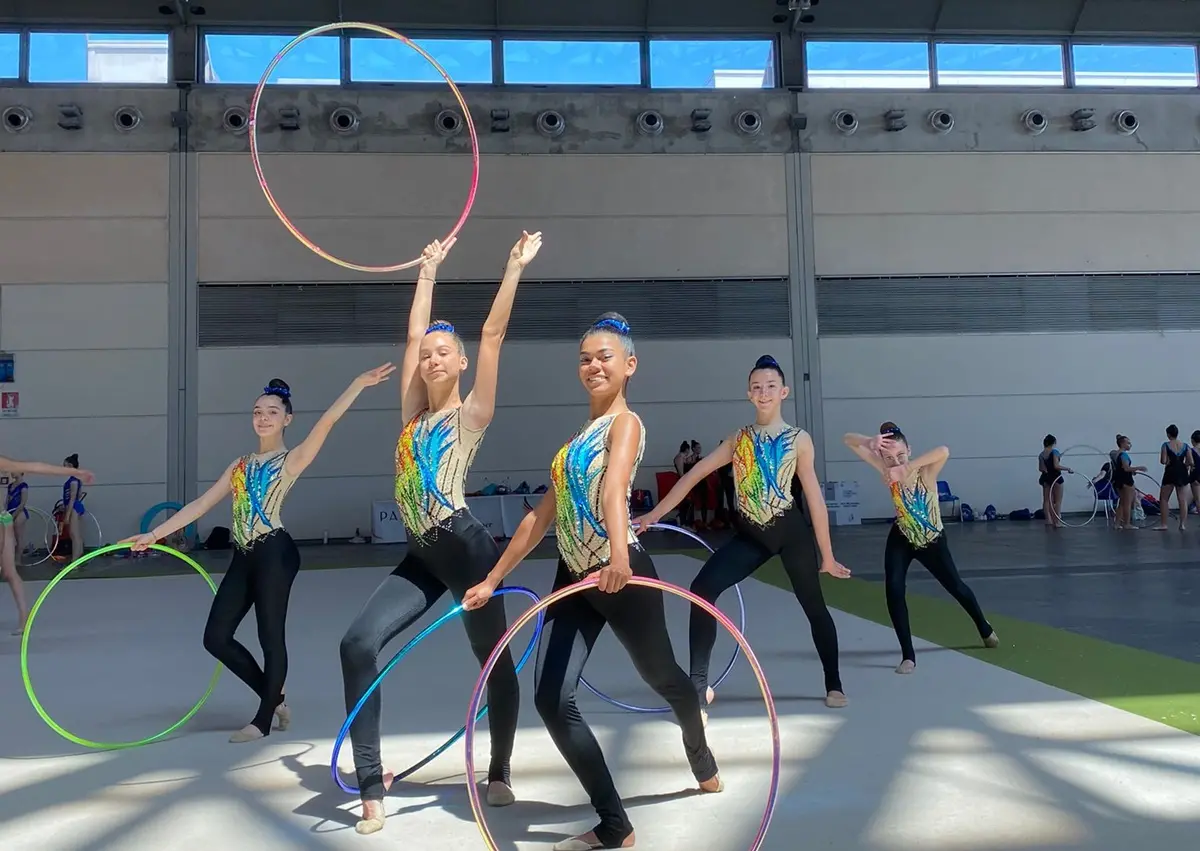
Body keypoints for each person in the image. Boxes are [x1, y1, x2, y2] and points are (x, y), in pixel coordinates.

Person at [463, 313, 722, 851]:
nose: (593, 365)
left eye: (604, 356)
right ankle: (614, 824)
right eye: (584, 358)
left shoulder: (625, 425)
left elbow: (614, 489)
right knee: (552, 697)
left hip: (622, 572)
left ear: (629, 366)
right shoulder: (572, 443)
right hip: (574, 576)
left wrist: (620, 554)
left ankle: (700, 754)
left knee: (665, 678)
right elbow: (538, 519)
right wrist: (491, 579)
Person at [338, 232, 542, 835]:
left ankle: (499, 768)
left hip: (467, 549)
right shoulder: (410, 416)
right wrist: (426, 271)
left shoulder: (470, 415)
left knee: (492, 662)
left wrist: (511, 267)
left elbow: (495, 335)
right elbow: (409, 337)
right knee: (355, 645)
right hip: (421, 555)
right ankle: (371, 783)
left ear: (457, 363)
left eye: (443, 351)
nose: (431, 357)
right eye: (428, 352)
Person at [123, 366, 394, 741]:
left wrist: (356, 385)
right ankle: (276, 696)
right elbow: (200, 505)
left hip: (275, 553)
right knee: (215, 637)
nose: (263, 418)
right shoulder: (240, 465)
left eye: (271, 412)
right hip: (244, 554)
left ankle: (263, 719)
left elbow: (328, 422)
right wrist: (153, 534)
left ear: (287, 419)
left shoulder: (291, 460)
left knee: (270, 636)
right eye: (257, 412)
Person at [634, 355, 850, 713]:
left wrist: (826, 555)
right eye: (756, 387)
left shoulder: (799, 440)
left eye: (770, 386)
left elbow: (814, 499)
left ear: (783, 392)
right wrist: (654, 515)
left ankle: (834, 682)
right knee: (701, 589)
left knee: (814, 607)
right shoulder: (738, 439)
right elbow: (692, 476)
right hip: (751, 536)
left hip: (790, 533)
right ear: (749, 394)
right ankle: (698, 686)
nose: (763, 393)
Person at [842, 423, 998, 674]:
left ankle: (983, 626)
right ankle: (908, 655)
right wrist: (868, 441)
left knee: (956, 586)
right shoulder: (885, 468)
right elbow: (847, 439)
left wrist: (906, 467)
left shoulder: (925, 473)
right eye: (890, 458)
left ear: (910, 451)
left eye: (901, 456)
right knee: (893, 589)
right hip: (902, 535)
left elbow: (944, 450)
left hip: (932, 540)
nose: (895, 462)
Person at [0, 456, 96, 635]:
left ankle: (24, 618)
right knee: (9, 572)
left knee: (10, 572)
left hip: (2, 519)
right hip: (4, 519)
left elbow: (35, 466)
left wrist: (75, 472)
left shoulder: (4, 464)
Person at [1154, 425, 1191, 532]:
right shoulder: (1185, 446)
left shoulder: (1166, 445)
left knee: (1164, 499)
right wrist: (1185, 465)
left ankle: (1164, 524)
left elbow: (1163, 461)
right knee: (1182, 499)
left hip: (1170, 472)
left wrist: (1169, 460)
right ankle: (1182, 524)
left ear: (1168, 434)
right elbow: (1190, 461)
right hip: (1182, 472)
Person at [1110, 434, 1144, 530]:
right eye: (1128, 443)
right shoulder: (1123, 454)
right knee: (1128, 503)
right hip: (1126, 481)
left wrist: (1132, 471)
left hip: (1119, 481)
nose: (1130, 445)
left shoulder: (1115, 454)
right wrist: (1139, 468)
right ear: (1122, 443)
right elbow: (1126, 468)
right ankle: (1127, 523)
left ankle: (1117, 523)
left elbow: (1121, 468)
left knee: (1122, 502)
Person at [1037, 435, 1072, 528]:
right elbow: (1056, 466)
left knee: (1047, 500)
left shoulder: (1041, 454)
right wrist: (1068, 469)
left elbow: (1041, 469)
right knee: (1058, 501)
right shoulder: (1055, 452)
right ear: (1054, 442)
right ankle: (1057, 522)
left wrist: (1047, 472)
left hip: (1045, 478)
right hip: (1056, 478)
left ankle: (1049, 520)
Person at [60, 454, 86, 563]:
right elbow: (79, 495)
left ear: (70, 466)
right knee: (75, 534)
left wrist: (67, 515)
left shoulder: (74, 481)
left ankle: (76, 560)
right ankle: (78, 557)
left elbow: (73, 498)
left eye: (64, 466)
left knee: (74, 534)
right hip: (75, 506)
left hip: (74, 507)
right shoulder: (75, 480)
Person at [6, 472, 29, 560]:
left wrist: (14, 515)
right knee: (11, 538)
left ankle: (18, 560)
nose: (12, 472)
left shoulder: (24, 486)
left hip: (20, 513)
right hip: (10, 512)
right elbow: (7, 501)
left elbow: (22, 503)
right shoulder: (10, 485)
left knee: (19, 538)